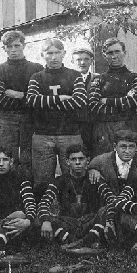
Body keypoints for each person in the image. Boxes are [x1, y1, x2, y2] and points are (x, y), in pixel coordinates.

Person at [26, 38, 87, 186]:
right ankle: (44, 208)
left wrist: (46, 103)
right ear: (42, 55)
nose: (53, 57)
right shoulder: (37, 77)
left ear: (64, 53)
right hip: (42, 135)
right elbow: (32, 101)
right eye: (49, 53)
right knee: (42, 180)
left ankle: (70, 208)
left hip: (70, 133)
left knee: (73, 178)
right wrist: (60, 98)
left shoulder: (74, 75)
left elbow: (80, 101)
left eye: (57, 53)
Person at [38, 145, 116, 249]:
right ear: (67, 161)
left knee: (106, 210)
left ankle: (76, 243)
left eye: (81, 159)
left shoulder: (95, 179)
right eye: (73, 159)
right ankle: (84, 242)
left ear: (87, 161)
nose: (78, 162)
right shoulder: (59, 181)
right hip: (68, 223)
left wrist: (108, 218)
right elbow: (44, 202)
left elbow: (111, 199)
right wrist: (46, 220)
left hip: (90, 222)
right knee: (43, 217)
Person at [0, 31, 44, 170]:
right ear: (4, 48)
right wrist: (27, 97)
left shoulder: (36, 68)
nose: (13, 50)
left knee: (29, 159)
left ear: (23, 45)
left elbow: (40, 97)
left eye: (17, 45)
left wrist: (17, 94)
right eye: (9, 46)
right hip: (5, 119)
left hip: (30, 118)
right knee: (5, 157)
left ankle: (28, 189)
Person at [89, 38, 137, 156]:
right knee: (104, 164)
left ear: (124, 53)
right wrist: (121, 105)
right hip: (103, 129)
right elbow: (93, 105)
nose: (114, 56)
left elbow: (133, 101)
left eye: (117, 51)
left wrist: (105, 100)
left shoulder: (135, 78)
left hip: (127, 127)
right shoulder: (98, 79)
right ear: (104, 55)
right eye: (110, 53)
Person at [72, 46, 98, 154]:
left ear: (91, 61)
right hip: (74, 125)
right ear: (72, 61)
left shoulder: (97, 78)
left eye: (86, 59)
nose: (82, 62)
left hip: (93, 124)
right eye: (78, 59)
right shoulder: (68, 78)